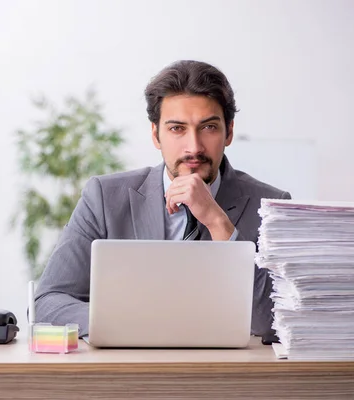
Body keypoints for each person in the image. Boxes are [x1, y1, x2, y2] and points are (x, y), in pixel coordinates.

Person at [33, 60, 291, 337]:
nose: (194, 147)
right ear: (156, 135)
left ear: (229, 132)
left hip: (229, 374)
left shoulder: (273, 206)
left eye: (208, 127)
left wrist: (218, 222)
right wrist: (122, 323)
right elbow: (48, 302)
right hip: (132, 370)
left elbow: (278, 322)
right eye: (177, 129)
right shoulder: (105, 198)